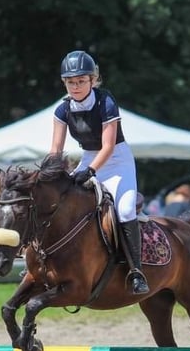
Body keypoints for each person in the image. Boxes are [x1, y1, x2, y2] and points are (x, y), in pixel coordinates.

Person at [49, 49, 148, 295]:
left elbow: (109, 146)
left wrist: (91, 171)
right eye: (71, 82)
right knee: (62, 201)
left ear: (92, 80)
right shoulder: (62, 110)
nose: (75, 86)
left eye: (81, 81)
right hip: (90, 157)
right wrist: (49, 173)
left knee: (124, 209)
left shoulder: (106, 102)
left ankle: (136, 271)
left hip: (117, 160)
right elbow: (55, 149)